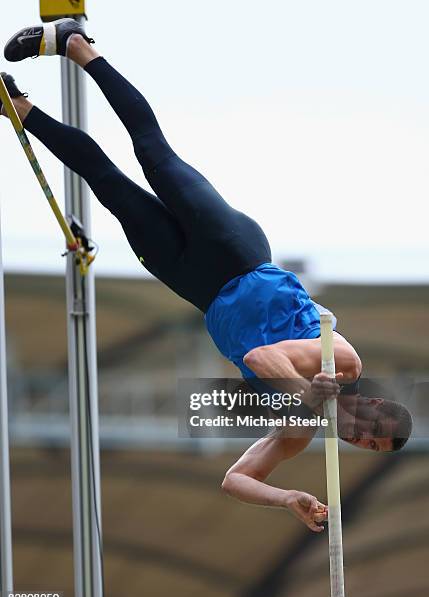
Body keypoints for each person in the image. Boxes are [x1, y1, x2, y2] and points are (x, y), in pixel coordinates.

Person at [2, 19, 412, 531]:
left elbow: (235, 479)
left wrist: (284, 496)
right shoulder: (343, 363)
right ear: (373, 402)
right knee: (153, 153)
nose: (360, 438)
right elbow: (264, 356)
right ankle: (77, 47)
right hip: (236, 254)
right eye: (372, 427)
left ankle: (19, 110)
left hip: (199, 287)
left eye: (368, 446)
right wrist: (306, 395)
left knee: (109, 186)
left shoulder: (300, 428)